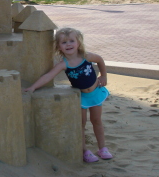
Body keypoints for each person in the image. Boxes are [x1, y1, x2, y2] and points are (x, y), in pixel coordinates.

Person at [23, 27, 113, 163]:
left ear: (78, 43)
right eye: (64, 42)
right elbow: (48, 76)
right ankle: (85, 151)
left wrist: (104, 75)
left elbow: (100, 60)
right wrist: (33, 87)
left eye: (71, 41)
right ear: (59, 47)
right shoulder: (64, 64)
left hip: (95, 93)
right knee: (81, 124)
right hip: (81, 98)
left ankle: (102, 148)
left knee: (96, 121)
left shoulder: (86, 56)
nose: (68, 44)